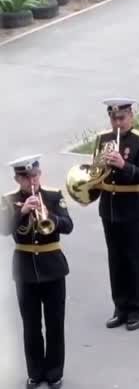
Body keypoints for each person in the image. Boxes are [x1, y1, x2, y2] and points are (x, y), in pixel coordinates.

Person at [1, 155, 72, 389]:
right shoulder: (8, 200)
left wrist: (47, 214)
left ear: (40, 174)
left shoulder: (52, 195)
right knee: (30, 325)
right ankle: (35, 372)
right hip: (24, 270)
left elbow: (68, 225)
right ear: (17, 178)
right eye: (25, 177)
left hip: (53, 267)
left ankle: (54, 373)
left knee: (54, 324)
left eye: (34, 175)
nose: (31, 181)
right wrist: (21, 213)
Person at [96, 98, 139, 331]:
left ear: (131, 116)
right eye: (113, 118)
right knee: (115, 258)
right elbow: (96, 173)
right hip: (109, 206)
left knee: (134, 258)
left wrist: (123, 165)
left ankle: (137, 308)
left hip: (133, 206)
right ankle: (120, 306)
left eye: (121, 118)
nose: (117, 123)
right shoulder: (104, 140)